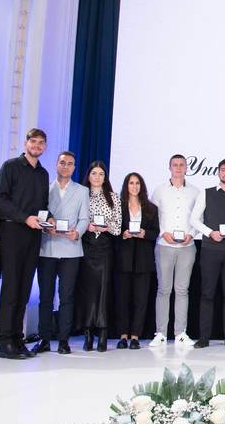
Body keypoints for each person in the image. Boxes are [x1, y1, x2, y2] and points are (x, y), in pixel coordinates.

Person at [0, 128, 50, 360]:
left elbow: (42, 205)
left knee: (25, 287)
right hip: (12, 231)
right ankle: (5, 342)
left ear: (45, 146)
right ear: (26, 143)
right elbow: (0, 198)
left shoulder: (43, 174)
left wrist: (49, 219)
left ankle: (17, 339)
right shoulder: (10, 167)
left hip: (34, 234)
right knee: (11, 286)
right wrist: (25, 218)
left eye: (41, 142)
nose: (37, 145)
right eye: (33, 141)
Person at [33, 151, 89, 355]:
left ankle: (64, 340)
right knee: (45, 297)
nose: (65, 166)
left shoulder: (82, 191)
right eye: (62, 162)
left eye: (70, 163)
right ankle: (44, 339)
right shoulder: (45, 189)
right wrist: (46, 227)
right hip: (47, 248)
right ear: (56, 164)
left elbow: (84, 218)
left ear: (74, 167)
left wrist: (77, 233)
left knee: (67, 297)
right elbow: (40, 215)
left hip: (71, 250)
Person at [190, 158, 225, 349]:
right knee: (207, 294)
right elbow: (194, 219)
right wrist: (210, 233)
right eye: (223, 170)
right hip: (210, 249)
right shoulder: (206, 193)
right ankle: (204, 338)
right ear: (218, 172)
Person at [150, 154, 200, 348]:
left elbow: (199, 218)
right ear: (169, 167)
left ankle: (180, 333)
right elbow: (153, 217)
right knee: (163, 290)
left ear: (186, 168)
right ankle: (161, 333)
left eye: (182, 165)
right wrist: (164, 233)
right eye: (175, 165)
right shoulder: (159, 191)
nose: (178, 168)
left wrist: (191, 234)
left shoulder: (195, 192)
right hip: (165, 245)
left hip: (187, 247)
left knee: (182, 290)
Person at [77, 161, 121, 352]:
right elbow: (75, 220)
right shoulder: (81, 195)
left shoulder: (113, 197)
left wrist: (106, 227)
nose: (97, 177)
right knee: (87, 291)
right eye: (94, 173)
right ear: (88, 175)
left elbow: (118, 228)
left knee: (103, 291)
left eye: (101, 174)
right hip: (86, 246)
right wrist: (87, 226)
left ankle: (102, 333)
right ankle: (87, 333)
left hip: (105, 247)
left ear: (105, 177)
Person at [116, 172, 159, 349]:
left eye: (137, 183)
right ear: (126, 186)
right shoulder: (118, 206)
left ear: (142, 186)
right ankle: (123, 336)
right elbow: (113, 230)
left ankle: (135, 336)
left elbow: (155, 232)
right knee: (122, 299)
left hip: (143, 260)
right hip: (123, 259)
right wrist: (122, 234)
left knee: (140, 300)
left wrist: (144, 234)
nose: (134, 186)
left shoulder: (151, 208)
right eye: (131, 183)